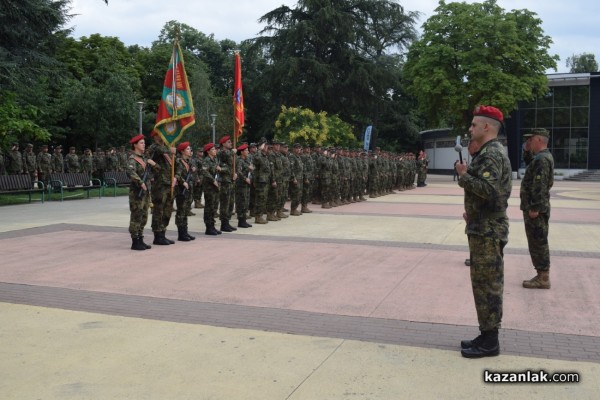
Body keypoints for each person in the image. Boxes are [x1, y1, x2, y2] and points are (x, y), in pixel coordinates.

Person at [455, 105, 512, 359]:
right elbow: (490, 194)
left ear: (486, 127)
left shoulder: (491, 154)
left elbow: (489, 190)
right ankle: (486, 334)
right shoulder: (489, 152)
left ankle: (490, 342)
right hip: (483, 226)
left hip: (488, 230)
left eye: (474, 125)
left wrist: (464, 176)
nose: (470, 128)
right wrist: (474, 212)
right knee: (482, 284)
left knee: (488, 286)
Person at [520, 128, 554, 289]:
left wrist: (534, 208)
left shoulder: (542, 159)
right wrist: (527, 152)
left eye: (531, 139)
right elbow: (530, 166)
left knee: (538, 242)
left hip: (536, 210)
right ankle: (542, 274)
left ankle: (543, 277)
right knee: (536, 241)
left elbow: (539, 186)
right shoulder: (541, 158)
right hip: (536, 208)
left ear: (539, 140)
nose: (528, 142)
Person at [126, 134, 156, 250]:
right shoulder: (132, 159)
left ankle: (140, 238)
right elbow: (130, 172)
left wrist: (153, 164)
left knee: (144, 216)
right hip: (136, 193)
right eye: (142, 143)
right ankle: (135, 241)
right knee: (136, 216)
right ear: (135, 145)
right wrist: (140, 182)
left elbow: (156, 171)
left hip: (146, 192)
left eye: (144, 143)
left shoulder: (145, 159)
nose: (144, 145)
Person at [147, 132, 177, 245]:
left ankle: (163, 232)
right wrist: (171, 150)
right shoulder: (154, 148)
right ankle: (157, 235)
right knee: (159, 210)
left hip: (168, 182)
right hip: (159, 183)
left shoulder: (165, 149)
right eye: (160, 135)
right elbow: (156, 154)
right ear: (155, 136)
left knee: (167, 209)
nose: (162, 137)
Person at [174, 142, 196, 241]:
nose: (189, 150)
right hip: (181, 190)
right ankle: (181, 233)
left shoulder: (188, 161)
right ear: (182, 151)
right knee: (181, 211)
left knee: (186, 210)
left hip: (188, 189)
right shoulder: (179, 161)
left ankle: (185, 231)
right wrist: (183, 182)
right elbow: (177, 174)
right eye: (187, 149)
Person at [217, 135, 238, 232]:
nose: (231, 143)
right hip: (225, 180)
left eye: (230, 141)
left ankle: (227, 222)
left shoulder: (230, 153)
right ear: (223, 144)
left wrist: (235, 173)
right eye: (229, 142)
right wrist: (232, 153)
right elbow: (223, 166)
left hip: (230, 179)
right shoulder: (222, 153)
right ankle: (223, 224)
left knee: (230, 202)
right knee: (225, 202)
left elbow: (233, 165)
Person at [201, 143, 222, 235]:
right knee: (209, 207)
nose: (215, 150)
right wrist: (213, 180)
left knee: (214, 206)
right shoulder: (206, 160)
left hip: (216, 186)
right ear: (208, 151)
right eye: (213, 149)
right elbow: (204, 172)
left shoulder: (215, 160)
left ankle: (213, 226)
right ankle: (208, 227)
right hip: (209, 186)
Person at [235, 143, 253, 228]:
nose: (248, 151)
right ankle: (241, 221)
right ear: (241, 152)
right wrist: (245, 178)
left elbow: (249, 169)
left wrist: (251, 168)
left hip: (246, 184)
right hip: (241, 184)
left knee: (246, 202)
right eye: (246, 150)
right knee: (241, 202)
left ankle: (244, 220)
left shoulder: (246, 160)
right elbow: (238, 171)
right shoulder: (239, 160)